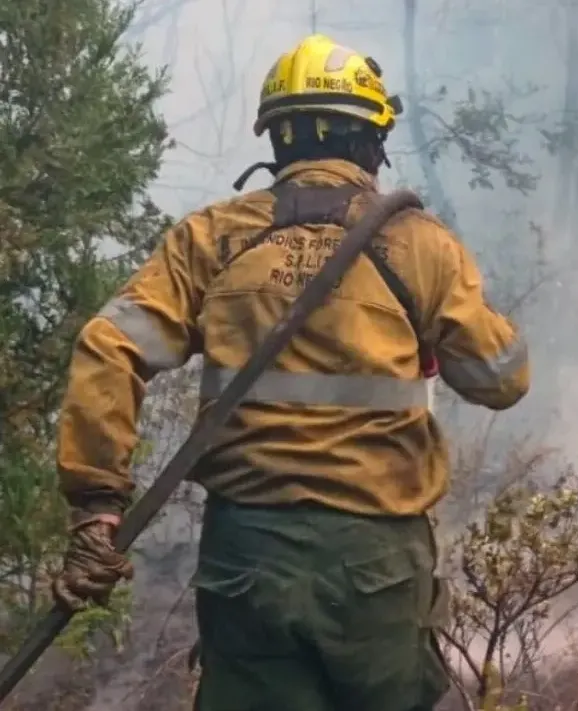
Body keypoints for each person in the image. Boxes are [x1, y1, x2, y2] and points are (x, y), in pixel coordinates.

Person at [50, 33, 529, 711]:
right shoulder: (420, 244)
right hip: (376, 561)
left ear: (277, 139)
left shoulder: (211, 238)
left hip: (248, 555)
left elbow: (109, 346)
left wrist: (97, 508)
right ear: (371, 141)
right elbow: (499, 380)